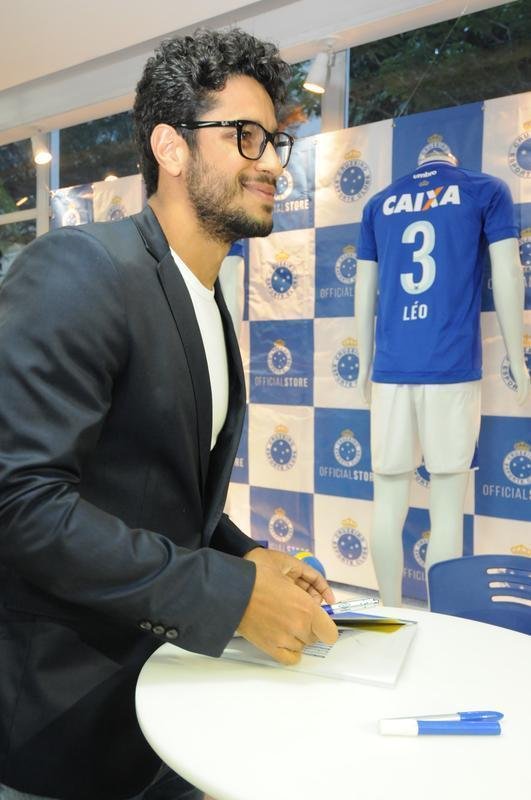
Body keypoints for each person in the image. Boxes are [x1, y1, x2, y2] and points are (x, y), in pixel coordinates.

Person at [0, 29, 338, 800]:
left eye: (276, 141)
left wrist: (243, 553)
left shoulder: (208, 302)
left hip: (162, 699)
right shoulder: (82, 268)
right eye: (244, 136)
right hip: (63, 718)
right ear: (171, 147)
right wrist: (227, 596)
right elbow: (21, 502)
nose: (270, 163)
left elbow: (150, 484)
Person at [355, 148, 529, 606]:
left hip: (391, 372)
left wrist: (364, 365)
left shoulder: (379, 204)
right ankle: (440, 621)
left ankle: (389, 611)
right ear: (451, 161)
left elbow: (363, 292)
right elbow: (509, 271)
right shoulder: (484, 189)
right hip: (451, 369)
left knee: (386, 504)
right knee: (448, 510)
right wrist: (517, 355)